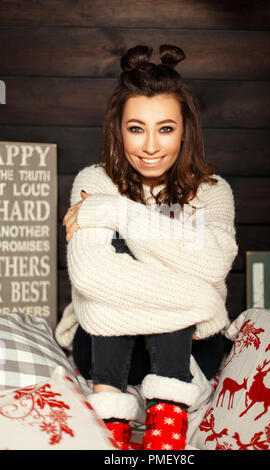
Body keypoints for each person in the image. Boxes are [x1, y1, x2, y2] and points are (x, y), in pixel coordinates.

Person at [55, 44, 238, 450]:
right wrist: (203, 301)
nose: (151, 146)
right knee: (138, 250)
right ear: (118, 130)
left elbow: (214, 261)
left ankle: (168, 419)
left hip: (190, 349)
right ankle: (112, 416)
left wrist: (117, 210)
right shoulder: (95, 181)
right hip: (107, 348)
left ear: (185, 129)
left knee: (136, 240)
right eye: (136, 128)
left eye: (166, 128)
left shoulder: (212, 191)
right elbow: (90, 274)